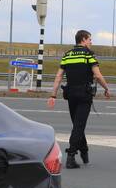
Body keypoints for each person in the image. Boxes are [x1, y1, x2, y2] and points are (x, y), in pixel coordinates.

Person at [47, 29, 111, 169]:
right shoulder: (89, 54)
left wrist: (53, 95)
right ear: (83, 39)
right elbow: (98, 76)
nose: (91, 42)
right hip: (84, 94)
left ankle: (84, 151)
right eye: (89, 39)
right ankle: (71, 155)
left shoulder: (67, 55)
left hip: (70, 94)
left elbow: (58, 76)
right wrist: (106, 88)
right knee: (79, 125)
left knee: (77, 124)